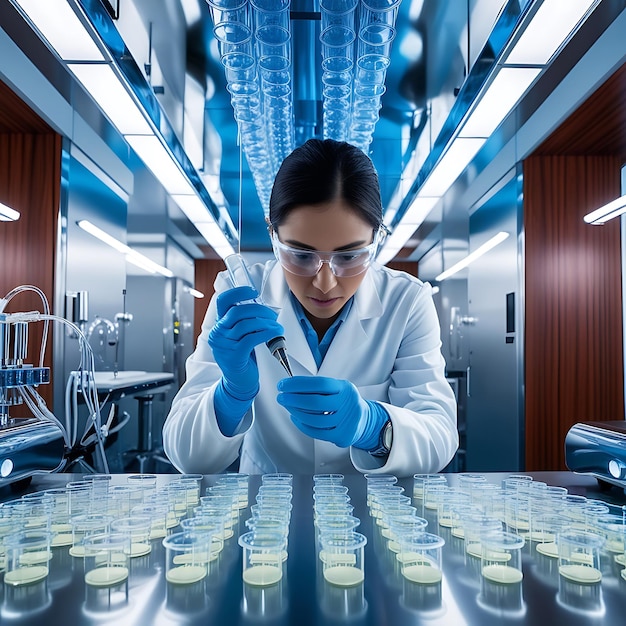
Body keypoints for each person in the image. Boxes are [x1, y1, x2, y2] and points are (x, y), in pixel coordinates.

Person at [163, 138, 458, 477]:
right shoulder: (241, 296)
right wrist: (230, 395)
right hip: (266, 515)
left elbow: (439, 435)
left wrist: (372, 425)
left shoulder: (406, 301)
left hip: (371, 514)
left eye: (349, 256)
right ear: (274, 235)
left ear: (376, 238)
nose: (325, 282)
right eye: (301, 255)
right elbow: (187, 456)